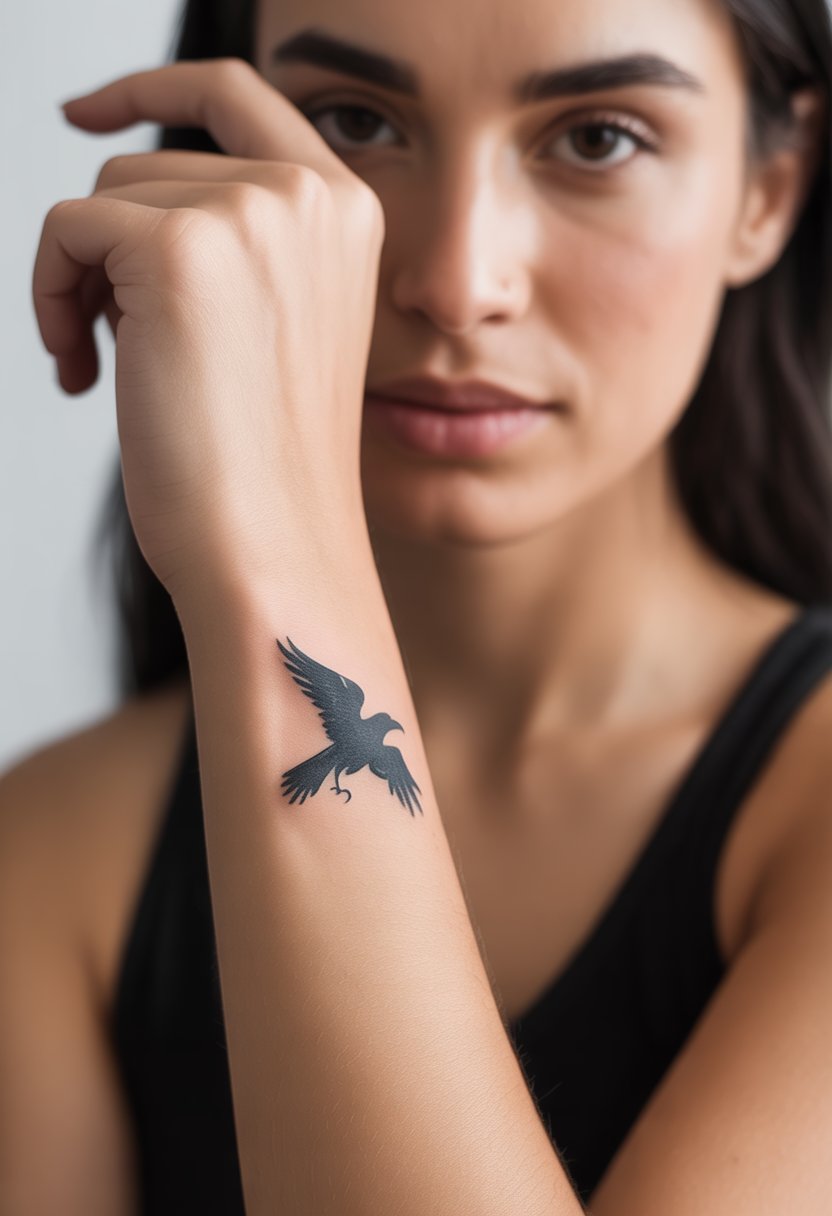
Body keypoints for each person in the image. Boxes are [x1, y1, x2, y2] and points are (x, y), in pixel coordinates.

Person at [3, 0, 832, 1211]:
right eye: (351, 121)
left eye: (597, 138)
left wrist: (280, 544)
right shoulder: (56, 849)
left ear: (766, 190)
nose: (455, 282)